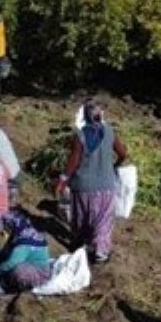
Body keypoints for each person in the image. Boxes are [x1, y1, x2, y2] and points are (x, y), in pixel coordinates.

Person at [56, 98, 128, 264]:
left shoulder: (80, 136)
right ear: (101, 115)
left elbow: (73, 162)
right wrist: (114, 165)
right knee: (103, 220)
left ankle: (79, 244)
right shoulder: (110, 132)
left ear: (85, 117)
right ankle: (100, 252)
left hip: (82, 187)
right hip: (105, 187)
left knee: (82, 217)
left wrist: (63, 180)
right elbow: (123, 153)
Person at [0, 209, 52, 293]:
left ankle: (9, 288)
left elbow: (12, 262)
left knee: (18, 271)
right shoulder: (19, 235)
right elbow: (4, 252)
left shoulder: (24, 241)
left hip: (39, 274)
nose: (4, 229)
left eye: (7, 225)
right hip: (28, 264)